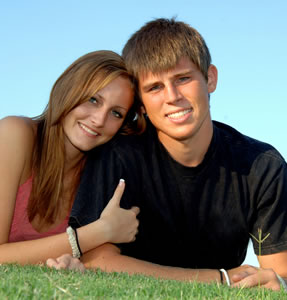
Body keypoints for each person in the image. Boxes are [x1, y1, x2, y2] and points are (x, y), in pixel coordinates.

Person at [50, 19, 287, 290]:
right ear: (141, 104)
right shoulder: (117, 154)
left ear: (210, 79)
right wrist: (222, 278)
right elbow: (97, 260)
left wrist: (275, 282)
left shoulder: (262, 166)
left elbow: (280, 274)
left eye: (183, 79)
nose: (172, 96)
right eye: (154, 87)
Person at [0, 50, 145, 266]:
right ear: (67, 90)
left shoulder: (103, 173)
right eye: (93, 100)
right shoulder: (14, 134)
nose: (98, 120)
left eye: (116, 113)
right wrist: (102, 231)